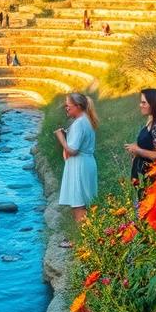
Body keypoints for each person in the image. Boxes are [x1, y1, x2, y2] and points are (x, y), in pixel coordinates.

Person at [55, 93, 99, 224]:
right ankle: (88, 233)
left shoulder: (79, 123)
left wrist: (61, 137)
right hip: (86, 162)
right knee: (85, 201)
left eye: (68, 105)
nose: (66, 108)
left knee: (78, 204)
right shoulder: (87, 120)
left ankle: (83, 234)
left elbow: (73, 151)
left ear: (78, 106)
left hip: (79, 165)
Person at [124, 88, 156, 188]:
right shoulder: (151, 119)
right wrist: (136, 147)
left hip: (155, 178)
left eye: (144, 103)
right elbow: (150, 143)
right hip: (146, 175)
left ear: (153, 104)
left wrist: (137, 150)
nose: (140, 105)